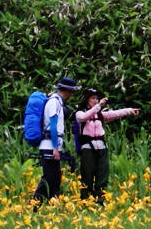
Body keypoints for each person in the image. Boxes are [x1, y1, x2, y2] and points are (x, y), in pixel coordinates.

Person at [74, 88, 140, 205]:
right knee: (87, 175)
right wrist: (98, 106)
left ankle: (100, 200)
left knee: (102, 174)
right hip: (87, 148)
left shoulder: (100, 115)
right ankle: (85, 201)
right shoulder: (80, 113)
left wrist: (130, 110)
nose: (95, 100)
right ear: (86, 100)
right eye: (93, 98)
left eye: (97, 98)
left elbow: (116, 113)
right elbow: (84, 117)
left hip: (101, 148)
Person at [32, 76, 78, 209]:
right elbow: (52, 125)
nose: (71, 95)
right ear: (67, 91)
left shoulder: (56, 102)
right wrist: (55, 148)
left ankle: (51, 205)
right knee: (50, 178)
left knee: (55, 177)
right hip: (49, 146)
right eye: (71, 92)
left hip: (51, 145)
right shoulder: (54, 102)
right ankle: (34, 204)